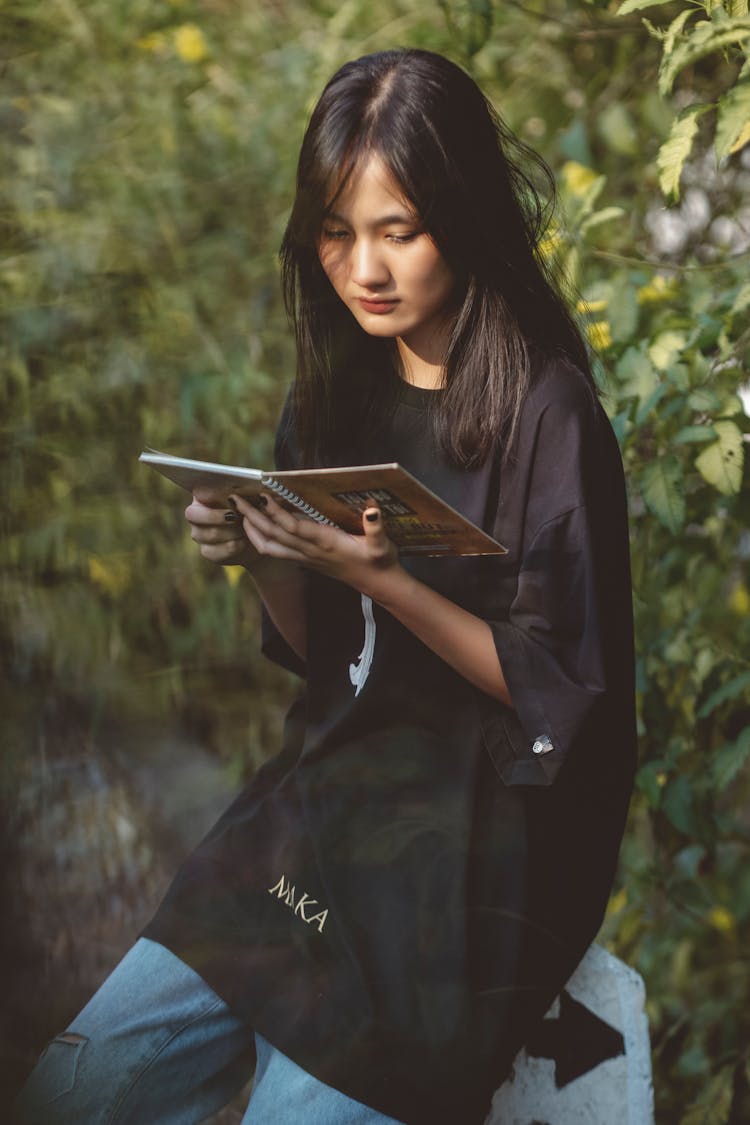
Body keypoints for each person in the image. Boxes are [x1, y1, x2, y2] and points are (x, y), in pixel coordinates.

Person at [15, 48, 636, 1125]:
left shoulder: (549, 413)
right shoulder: (336, 395)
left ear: (464, 217)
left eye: (399, 230)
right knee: (79, 1085)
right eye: (338, 232)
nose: (365, 269)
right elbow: (324, 660)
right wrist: (268, 556)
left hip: (469, 858)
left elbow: (560, 693)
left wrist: (388, 581)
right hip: (319, 809)